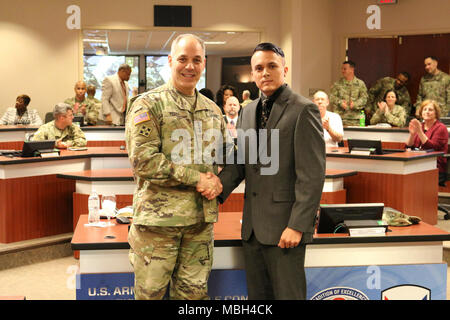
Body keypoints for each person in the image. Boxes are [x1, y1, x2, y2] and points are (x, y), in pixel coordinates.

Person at [215, 43, 325, 300]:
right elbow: (242, 162)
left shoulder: (303, 109)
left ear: (284, 70)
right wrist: (217, 187)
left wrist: (297, 225)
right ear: (253, 74)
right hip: (253, 230)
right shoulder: (248, 110)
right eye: (259, 68)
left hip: (286, 230)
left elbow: (312, 175)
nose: (265, 72)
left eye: (272, 66)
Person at [125, 34, 228, 300]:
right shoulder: (148, 104)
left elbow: (226, 157)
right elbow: (144, 161)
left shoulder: (214, 111)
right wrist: (197, 179)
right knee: (151, 297)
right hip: (158, 227)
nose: (189, 66)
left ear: (204, 63)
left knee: (193, 299)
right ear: (171, 61)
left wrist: (219, 181)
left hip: (199, 227)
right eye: (183, 59)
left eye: (196, 60)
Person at [406, 100, 448, 186]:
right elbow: (408, 146)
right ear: (421, 112)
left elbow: (432, 147)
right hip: (417, 165)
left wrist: (420, 132)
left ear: (436, 113)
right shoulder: (420, 125)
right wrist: (412, 135)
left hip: (434, 167)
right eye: (425, 109)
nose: (427, 112)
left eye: (430, 110)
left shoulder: (441, 128)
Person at [330, 61, 368, 126]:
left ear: (352, 69)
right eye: (342, 69)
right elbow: (332, 97)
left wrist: (355, 104)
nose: (342, 71)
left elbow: (365, 98)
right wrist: (340, 102)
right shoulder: (337, 84)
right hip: (340, 119)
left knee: (355, 136)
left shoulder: (360, 84)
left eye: (344, 69)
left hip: (356, 119)